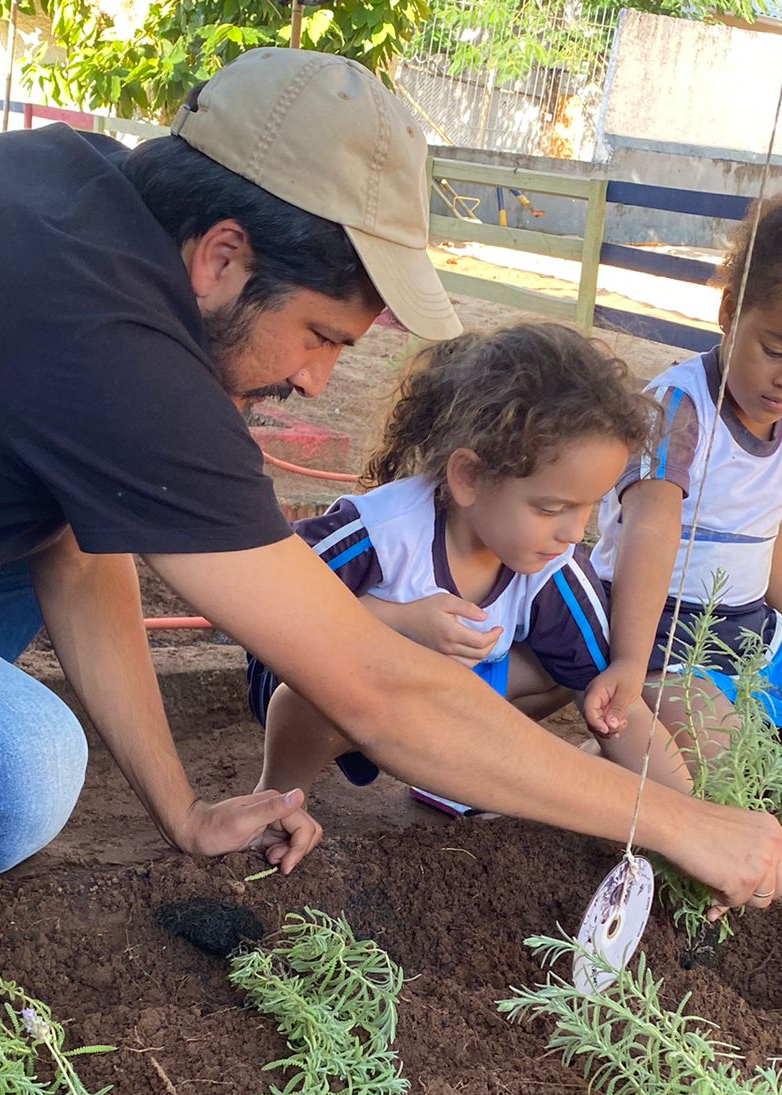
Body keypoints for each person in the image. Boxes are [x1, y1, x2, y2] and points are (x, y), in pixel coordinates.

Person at [0, 47, 782, 917]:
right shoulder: (105, 333)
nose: (314, 380)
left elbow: (75, 550)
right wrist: (681, 821)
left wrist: (180, 807)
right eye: (319, 334)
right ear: (223, 256)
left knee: (13, 561)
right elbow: (377, 687)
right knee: (16, 769)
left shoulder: (88, 206)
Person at [249, 322, 689, 810]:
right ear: (469, 477)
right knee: (306, 694)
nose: (573, 532)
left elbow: (614, 704)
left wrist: (694, 817)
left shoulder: (555, 568)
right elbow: (271, 608)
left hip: (438, 698)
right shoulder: (380, 533)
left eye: (588, 507)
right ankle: (278, 800)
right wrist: (397, 623)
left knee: (581, 672)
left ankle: (446, 772)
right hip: (320, 692)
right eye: (550, 508)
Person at [585, 155, 782, 764]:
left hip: (749, 629)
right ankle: (577, 773)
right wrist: (627, 657)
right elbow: (649, 531)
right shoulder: (681, 410)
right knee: (727, 760)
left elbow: (763, 531)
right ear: (730, 313)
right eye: (776, 349)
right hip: (660, 630)